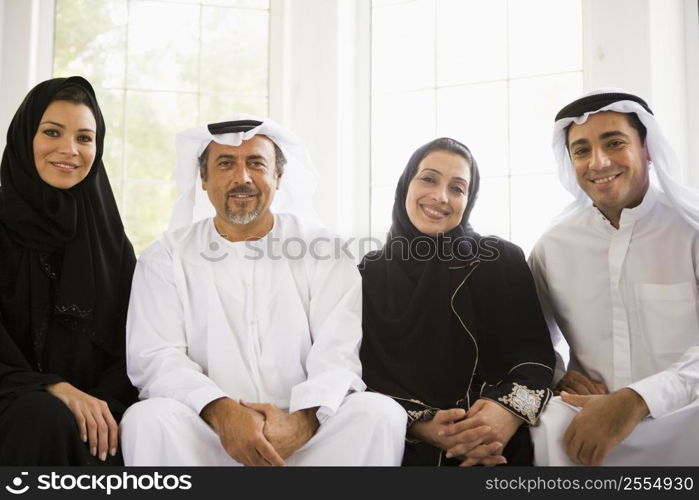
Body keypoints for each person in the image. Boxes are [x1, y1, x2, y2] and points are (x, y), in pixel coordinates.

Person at [120, 115, 406, 466]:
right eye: (226, 164)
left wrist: (300, 423)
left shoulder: (322, 248)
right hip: (208, 434)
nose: (242, 177)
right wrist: (223, 413)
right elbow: (158, 357)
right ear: (204, 181)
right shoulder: (166, 257)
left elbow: (338, 352)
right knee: (147, 420)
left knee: (379, 414)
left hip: (307, 439)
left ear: (278, 177)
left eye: (256, 163)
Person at [359, 137, 556, 466]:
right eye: (429, 179)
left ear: (470, 200)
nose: (440, 197)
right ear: (405, 184)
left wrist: (504, 414)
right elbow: (358, 374)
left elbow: (533, 359)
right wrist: (421, 425)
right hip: (395, 442)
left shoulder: (498, 260)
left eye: (458, 188)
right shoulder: (368, 273)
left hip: (492, 444)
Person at [529, 89, 699, 466]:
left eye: (614, 143)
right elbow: (531, 342)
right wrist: (559, 375)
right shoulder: (551, 247)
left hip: (685, 417)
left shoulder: (692, 230)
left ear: (647, 149)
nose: (599, 162)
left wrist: (636, 399)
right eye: (581, 151)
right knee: (547, 421)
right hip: (585, 421)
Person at [0, 76, 137, 465]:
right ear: (26, 136)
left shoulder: (109, 239)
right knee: (43, 417)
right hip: (12, 402)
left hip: (93, 410)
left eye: (84, 138)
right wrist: (53, 387)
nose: (69, 150)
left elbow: (133, 343)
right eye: (52, 132)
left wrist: (99, 403)